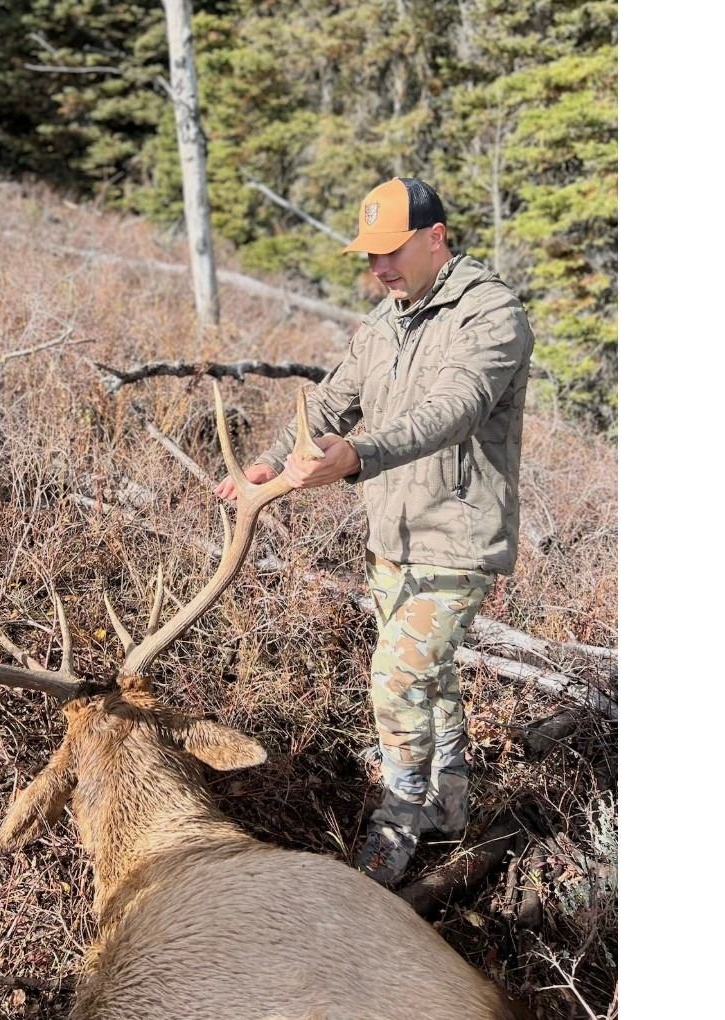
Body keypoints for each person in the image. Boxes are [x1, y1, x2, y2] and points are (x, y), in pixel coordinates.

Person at [215, 177, 535, 887]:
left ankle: (400, 817)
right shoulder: (386, 319)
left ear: (435, 237)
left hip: (455, 539)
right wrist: (271, 460)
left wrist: (360, 454)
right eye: (370, 255)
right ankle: (450, 799)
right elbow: (331, 401)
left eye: (392, 251)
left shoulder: (491, 314)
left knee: (396, 680)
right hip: (391, 536)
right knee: (428, 678)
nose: (379, 267)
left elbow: (456, 407)